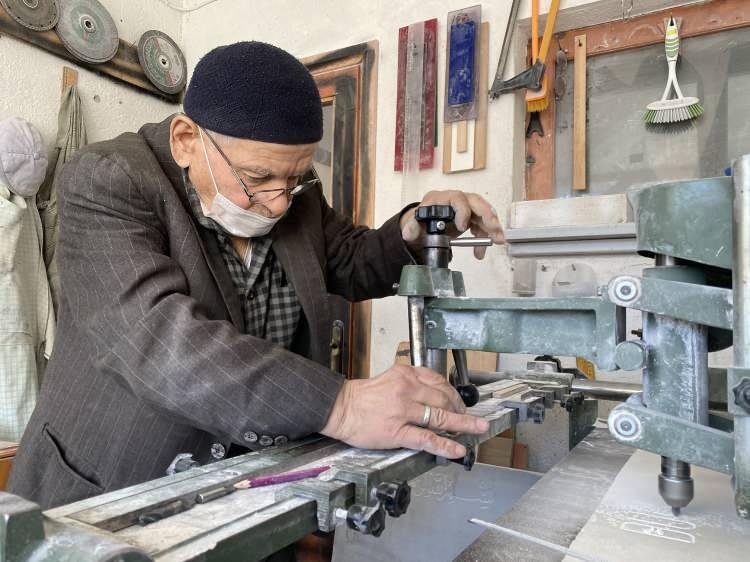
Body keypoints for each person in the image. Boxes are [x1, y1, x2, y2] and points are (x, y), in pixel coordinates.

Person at [8, 41, 504, 509]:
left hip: (245, 484)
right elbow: (157, 342)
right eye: (258, 178)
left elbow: (352, 261)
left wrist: (413, 228)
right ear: (186, 140)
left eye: (295, 177)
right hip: (114, 481)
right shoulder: (109, 179)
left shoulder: (297, 202)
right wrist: (343, 405)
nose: (279, 201)